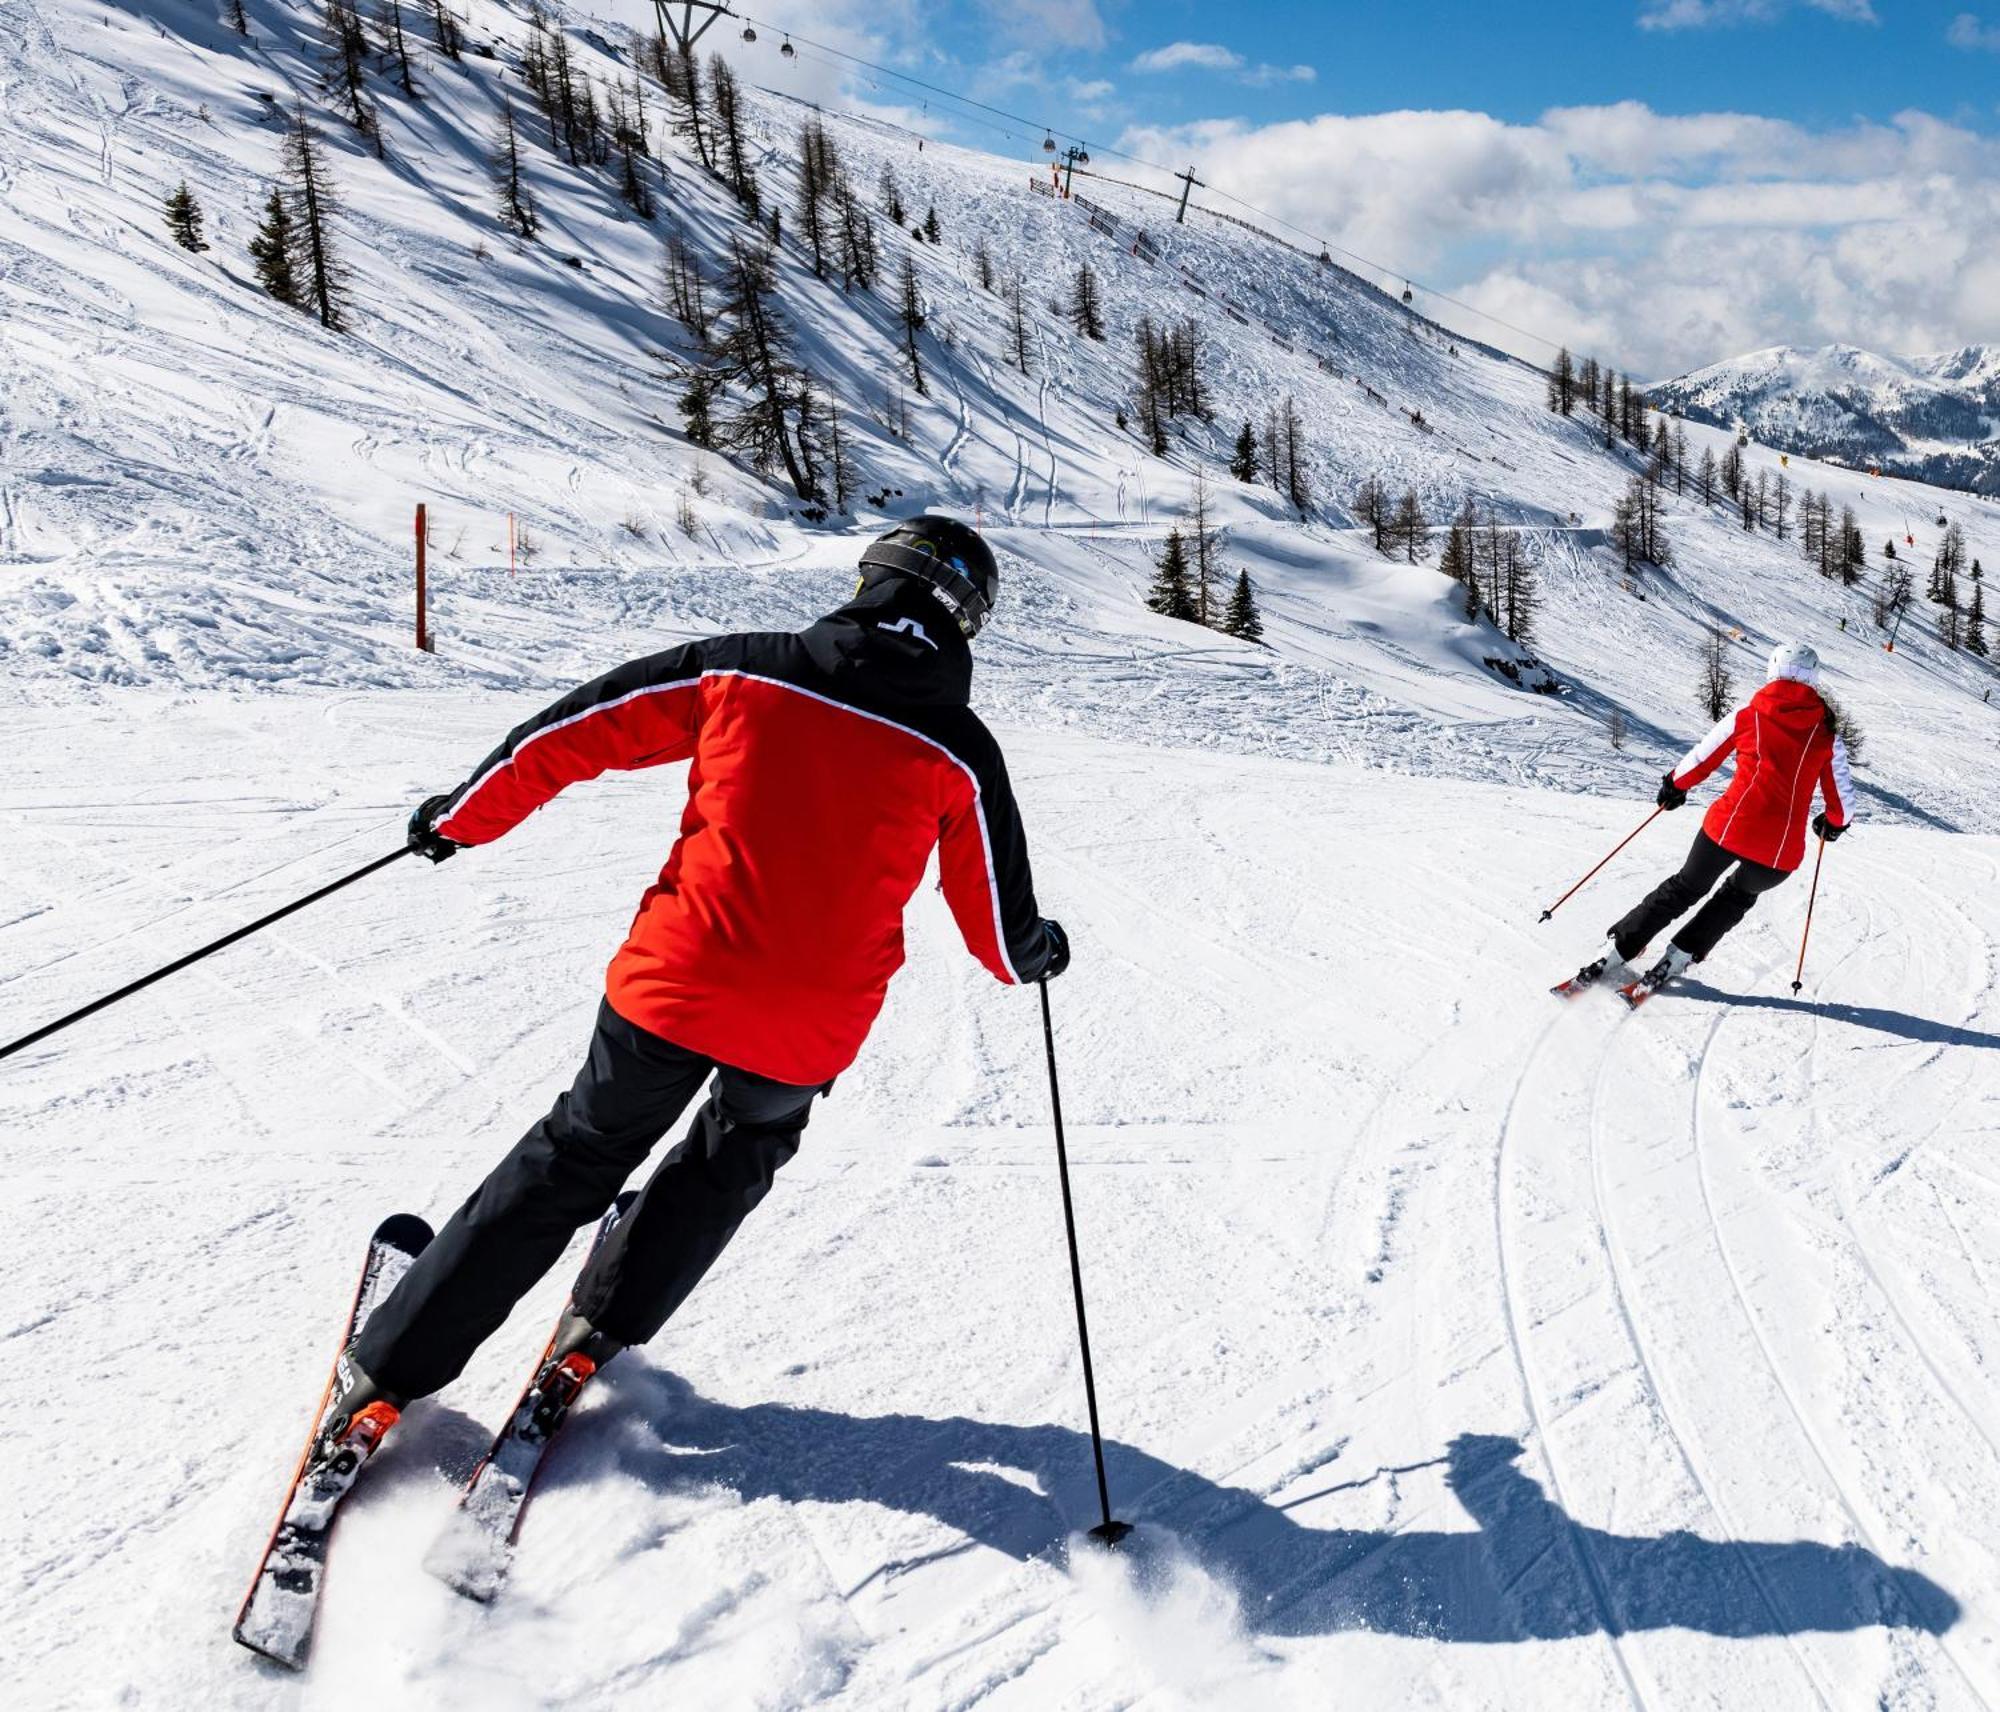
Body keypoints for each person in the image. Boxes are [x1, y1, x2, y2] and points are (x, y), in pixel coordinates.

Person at [319, 515, 1067, 1460]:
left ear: (872, 578)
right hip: (809, 1022)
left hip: (679, 978)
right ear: (966, 621)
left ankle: (390, 1370)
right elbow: (1000, 932)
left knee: (578, 1156)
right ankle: (605, 1325)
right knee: (735, 1155)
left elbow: (571, 732)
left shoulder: (745, 668)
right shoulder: (959, 747)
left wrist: (461, 821)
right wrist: (1039, 951)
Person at [1574, 641, 1853, 996]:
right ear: (1813, 680)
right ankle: (1680, 954)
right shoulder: (1827, 737)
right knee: (1735, 898)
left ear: (1772, 671)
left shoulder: (1747, 715)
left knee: (1685, 887)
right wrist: (1832, 824)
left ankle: (1619, 947)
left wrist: (1675, 786)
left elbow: (1702, 758)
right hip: (1778, 853)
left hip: (1728, 828)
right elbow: (1842, 805)